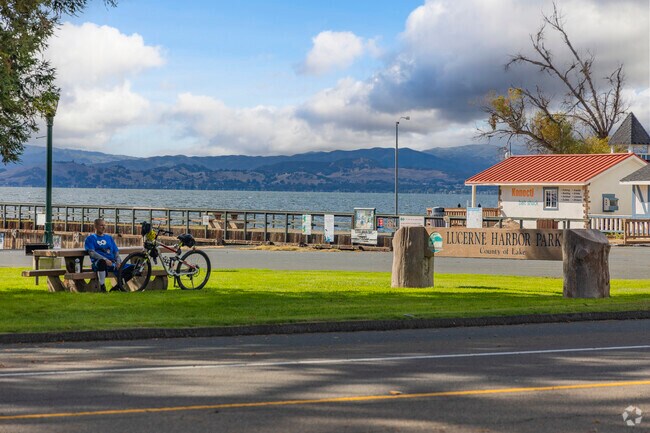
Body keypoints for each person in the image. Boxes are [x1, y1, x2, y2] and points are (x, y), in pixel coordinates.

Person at [84, 218, 121, 292]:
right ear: (96, 226)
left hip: (112, 263)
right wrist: (105, 259)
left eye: (104, 225)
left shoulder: (109, 238)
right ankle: (102, 286)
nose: (104, 227)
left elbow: (116, 251)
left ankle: (117, 287)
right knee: (102, 262)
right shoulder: (90, 238)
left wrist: (118, 261)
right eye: (101, 225)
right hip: (98, 263)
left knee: (133, 269)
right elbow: (92, 253)